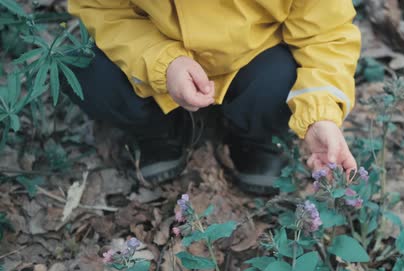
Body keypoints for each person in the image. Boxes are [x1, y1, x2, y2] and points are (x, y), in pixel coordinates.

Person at [68, 1, 361, 194]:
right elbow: (103, 9)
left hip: (252, 60)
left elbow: (328, 36)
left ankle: (255, 138)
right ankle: (162, 132)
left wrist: (320, 115)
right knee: (85, 70)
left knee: (281, 78)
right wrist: (163, 62)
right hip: (153, 48)